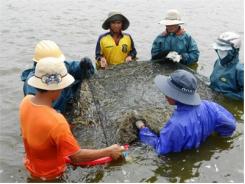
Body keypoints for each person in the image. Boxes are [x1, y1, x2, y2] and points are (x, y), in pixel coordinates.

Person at [19, 57, 124, 181]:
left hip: (31, 168)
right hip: (52, 176)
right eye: (62, 86)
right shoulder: (57, 121)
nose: (63, 89)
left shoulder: (25, 102)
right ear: (55, 88)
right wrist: (108, 151)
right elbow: (76, 157)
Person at [135, 69, 236, 155]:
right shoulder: (209, 106)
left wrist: (143, 130)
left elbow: (160, 149)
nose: (165, 94)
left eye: (168, 91)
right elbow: (230, 125)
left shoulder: (175, 126)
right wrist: (215, 138)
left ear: (177, 95)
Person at [21, 40, 95, 113]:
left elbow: (75, 68)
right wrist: (56, 116)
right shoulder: (31, 85)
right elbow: (38, 111)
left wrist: (83, 66)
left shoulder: (61, 67)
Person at [210, 32, 244, 100]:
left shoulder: (240, 70)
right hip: (213, 96)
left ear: (235, 50)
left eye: (225, 50)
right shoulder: (217, 62)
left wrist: (229, 96)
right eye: (219, 49)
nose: (220, 52)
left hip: (227, 101)